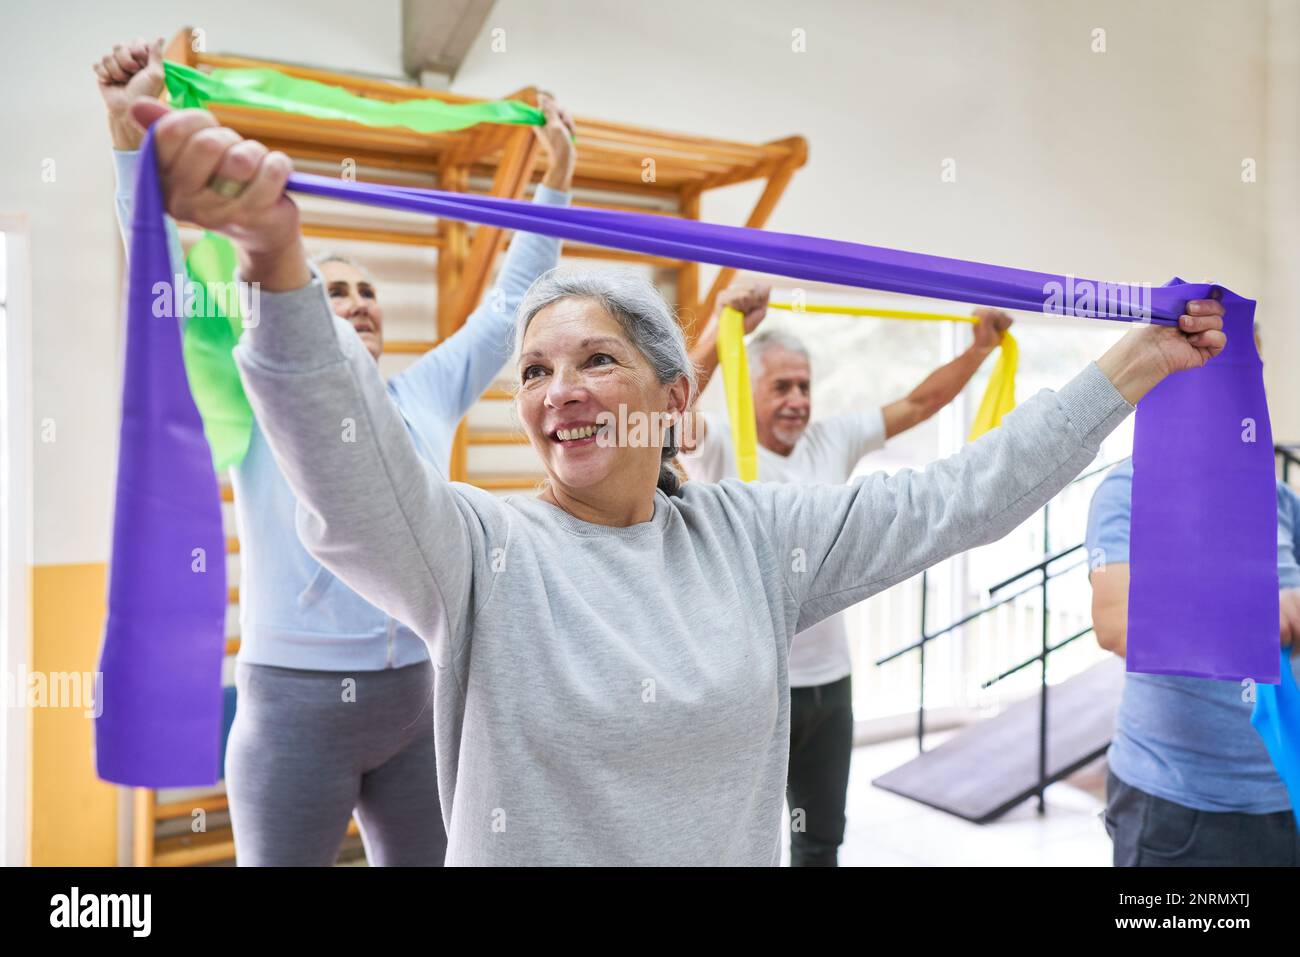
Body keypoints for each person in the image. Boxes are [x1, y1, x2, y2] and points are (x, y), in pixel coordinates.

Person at [133, 95, 1226, 865]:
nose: (556, 388)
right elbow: (342, 462)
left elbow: (965, 496)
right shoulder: (478, 554)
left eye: (594, 360)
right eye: (534, 371)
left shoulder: (751, 541)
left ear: (669, 403)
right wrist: (276, 264)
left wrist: (1134, 363)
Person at [98, 42, 578, 865]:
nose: (353, 303)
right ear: (304, 305)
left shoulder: (424, 394)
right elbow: (166, 277)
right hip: (291, 708)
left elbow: (511, 304)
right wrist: (124, 137)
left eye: (367, 293)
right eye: (335, 288)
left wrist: (558, 174)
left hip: (418, 701)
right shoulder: (261, 389)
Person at [678, 284, 1013, 865]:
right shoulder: (717, 447)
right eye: (781, 386)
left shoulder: (829, 439)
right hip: (751, 684)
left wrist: (980, 349)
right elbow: (664, 412)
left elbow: (918, 404)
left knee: (821, 840)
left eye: (804, 386)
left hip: (829, 684)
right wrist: (719, 330)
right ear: (746, 385)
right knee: (730, 841)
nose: (797, 399)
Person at [1086, 327, 1300, 867]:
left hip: (1282, 787)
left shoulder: (1275, 493)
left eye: (1243, 367)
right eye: (1208, 361)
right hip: (1178, 806)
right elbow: (1116, 625)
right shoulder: (1130, 487)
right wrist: (1253, 616)